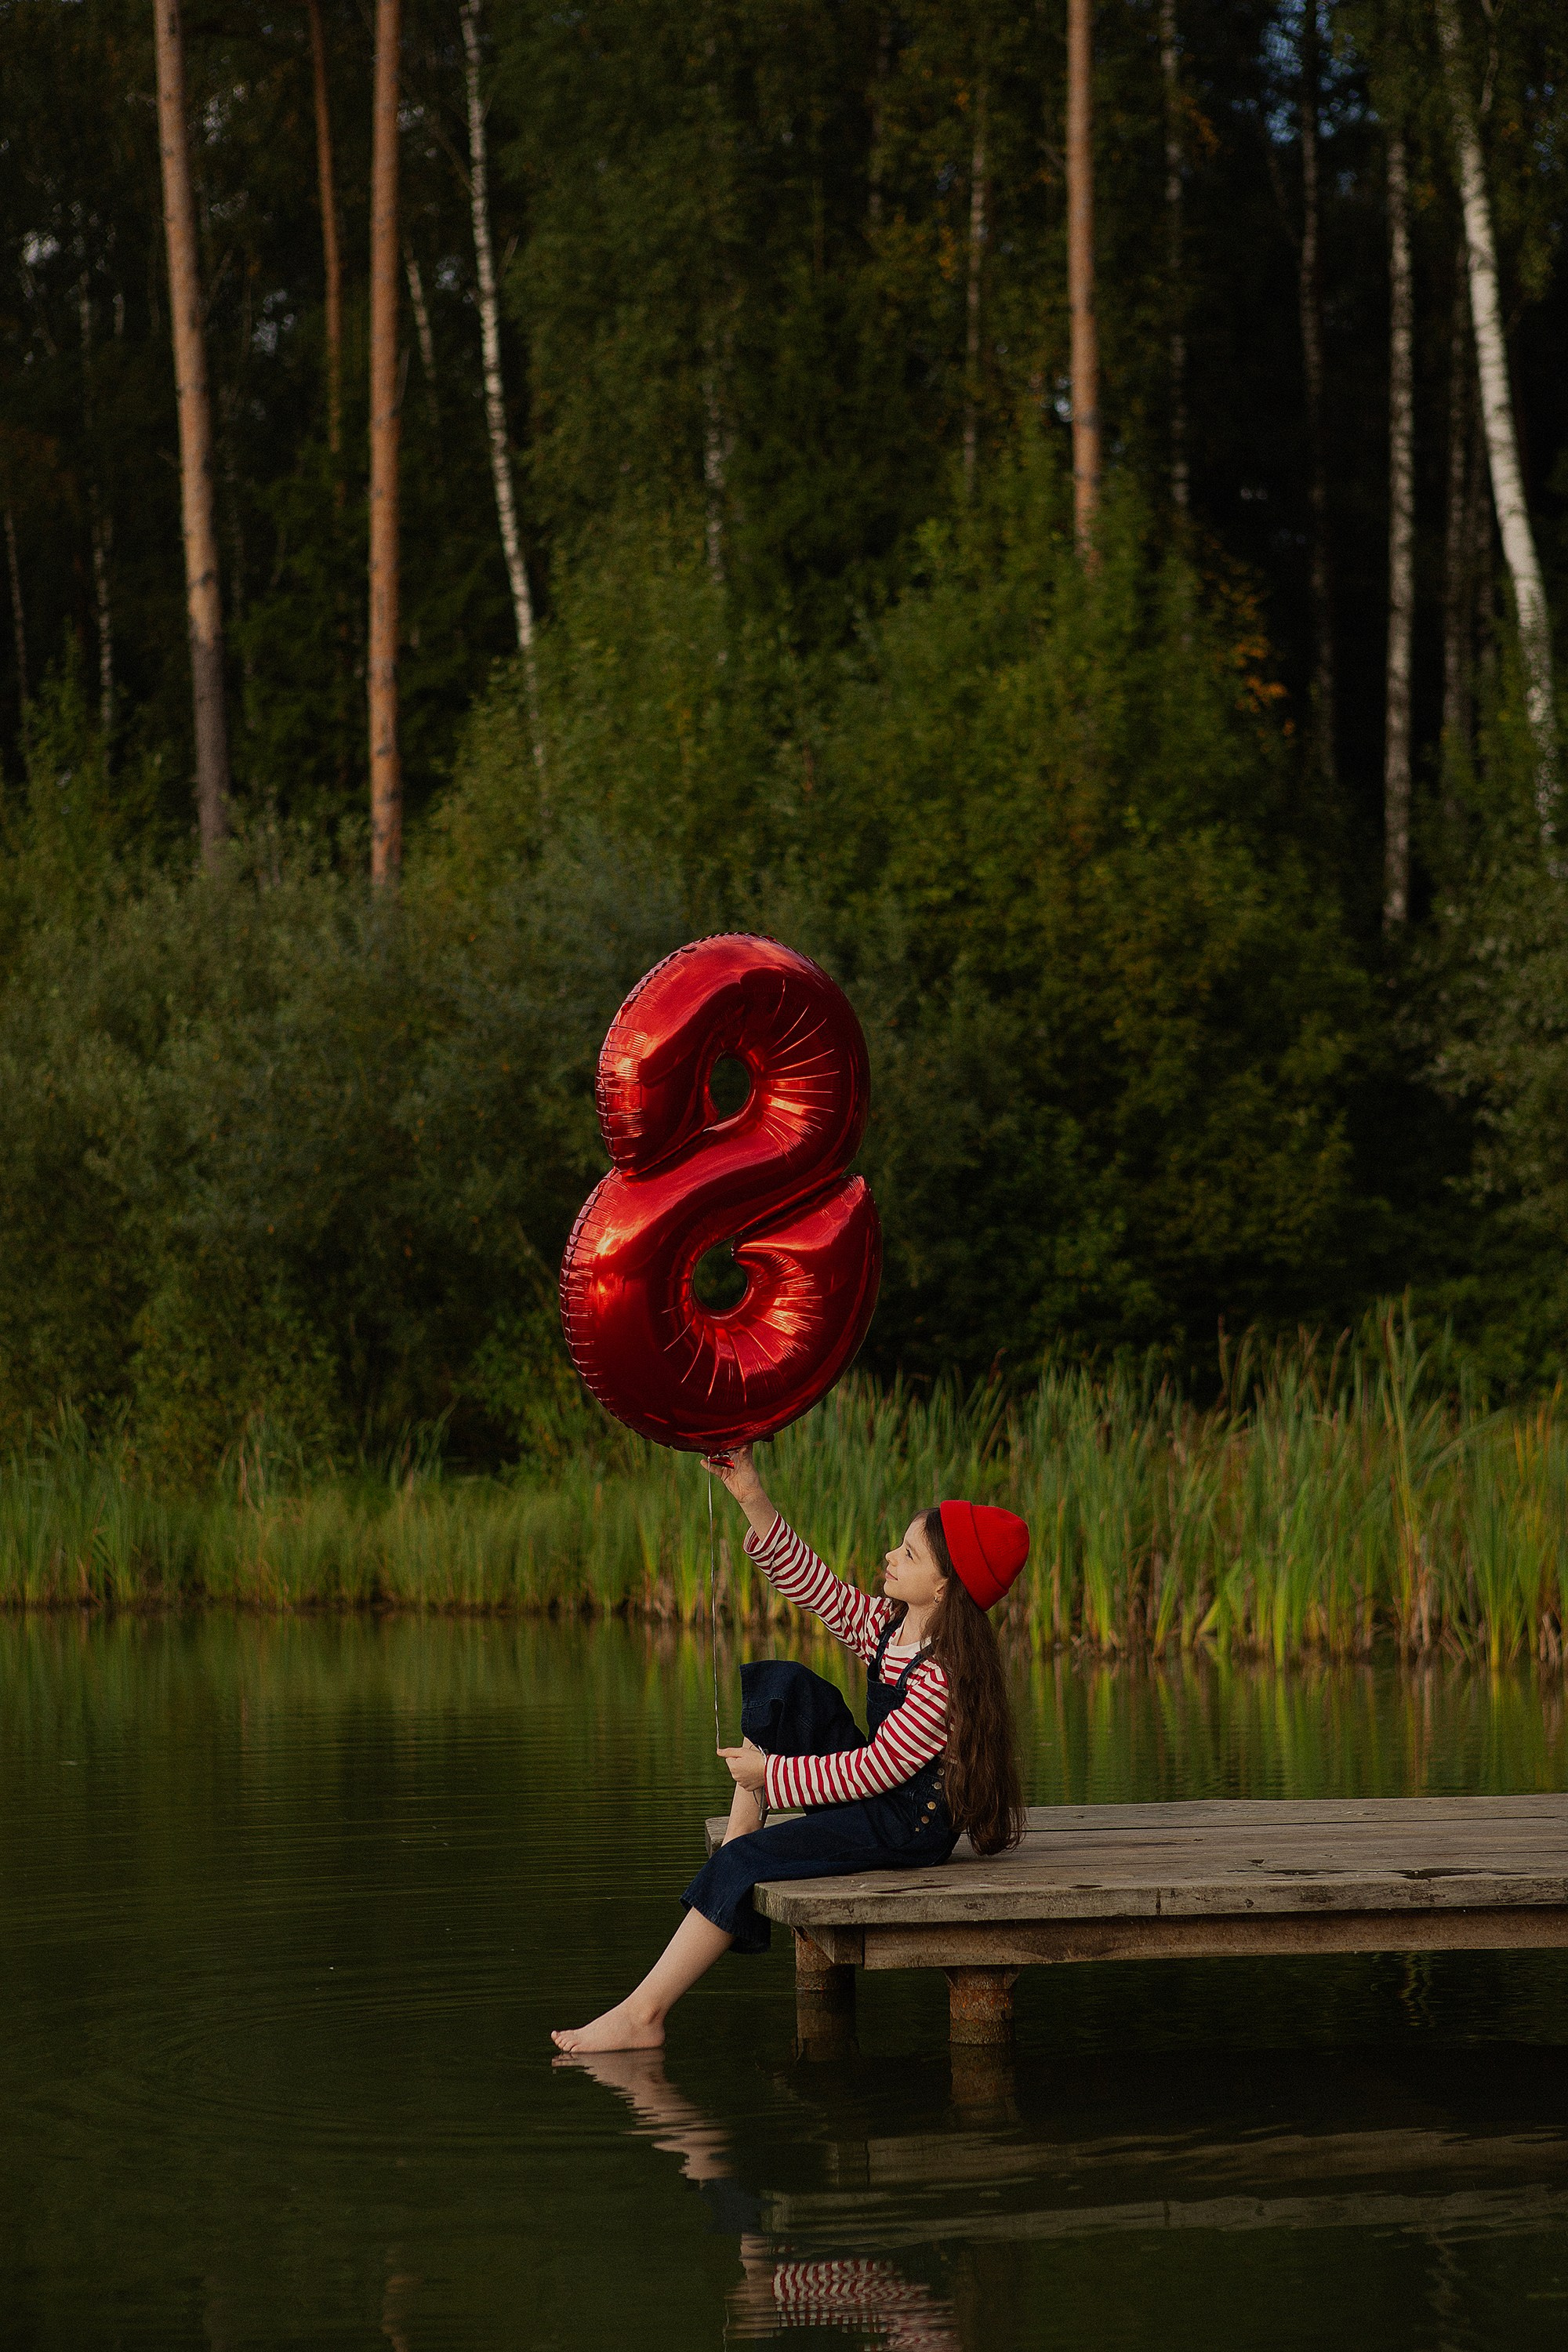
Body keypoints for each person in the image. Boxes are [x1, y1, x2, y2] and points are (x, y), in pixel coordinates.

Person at [550, 1441, 1029, 2055]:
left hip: (907, 1827)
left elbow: (873, 1770)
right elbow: (819, 1590)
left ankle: (643, 2016)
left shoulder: (942, 1677)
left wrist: (771, 1776)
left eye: (908, 1554)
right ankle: (744, 1831)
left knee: (739, 1866)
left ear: (944, 1589)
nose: (890, 1555)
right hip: (876, 1796)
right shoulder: (890, 1623)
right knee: (785, 1688)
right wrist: (751, 1494)